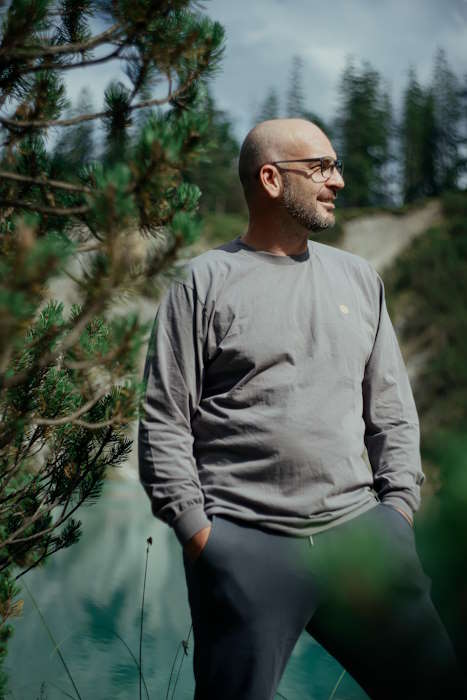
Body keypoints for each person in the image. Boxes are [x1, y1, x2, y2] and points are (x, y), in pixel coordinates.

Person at [138, 119, 466, 699]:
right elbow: (164, 422)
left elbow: (392, 411)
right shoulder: (203, 283)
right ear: (270, 179)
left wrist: (398, 515)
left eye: (336, 166)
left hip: (364, 542)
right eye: (320, 167)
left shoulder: (360, 279)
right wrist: (203, 540)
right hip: (244, 545)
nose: (336, 180)